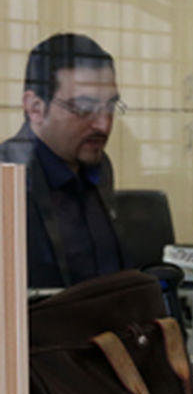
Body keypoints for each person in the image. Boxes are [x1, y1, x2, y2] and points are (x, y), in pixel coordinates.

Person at [0, 33, 126, 288]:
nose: (103, 125)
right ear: (35, 107)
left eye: (110, 107)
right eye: (84, 108)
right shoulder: (9, 177)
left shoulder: (99, 166)